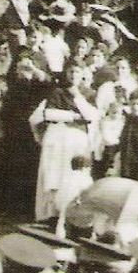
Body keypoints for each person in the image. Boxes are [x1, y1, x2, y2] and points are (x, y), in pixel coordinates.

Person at [28, 73, 98, 223]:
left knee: (74, 176)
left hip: (76, 141)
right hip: (56, 140)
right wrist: (72, 116)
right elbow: (38, 117)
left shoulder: (88, 95)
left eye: (78, 73)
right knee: (53, 176)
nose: (74, 76)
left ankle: (71, 214)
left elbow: (92, 117)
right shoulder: (55, 93)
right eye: (71, 72)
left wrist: (77, 98)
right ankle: (51, 213)